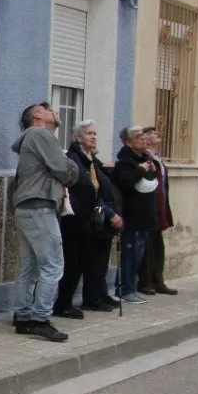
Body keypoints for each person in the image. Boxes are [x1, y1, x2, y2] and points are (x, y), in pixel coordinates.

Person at [11, 102, 80, 342]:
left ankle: (22, 317)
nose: (55, 112)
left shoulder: (33, 138)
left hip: (28, 207)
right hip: (39, 207)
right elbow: (65, 171)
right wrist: (70, 167)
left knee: (29, 267)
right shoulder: (41, 134)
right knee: (53, 265)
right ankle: (40, 319)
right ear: (37, 115)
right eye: (48, 109)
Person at [55, 120, 122, 317]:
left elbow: (99, 188)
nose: (93, 137)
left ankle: (88, 298)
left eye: (94, 133)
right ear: (78, 137)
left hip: (89, 220)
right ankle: (63, 304)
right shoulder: (73, 159)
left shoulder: (90, 159)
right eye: (89, 133)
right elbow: (79, 190)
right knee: (72, 263)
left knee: (86, 262)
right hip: (76, 220)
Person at [112, 125, 161, 304]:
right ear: (128, 143)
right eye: (138, 136)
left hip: (145, 217)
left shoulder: (146, 159)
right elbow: (125, 182)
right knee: (129, 255)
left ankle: (131, 287)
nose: (143, 138)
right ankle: (124, 289)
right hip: (131, 216)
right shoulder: (125, 162)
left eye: (143, 135)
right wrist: (141, 170)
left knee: (139, 255)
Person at [139, 126, 178, 295]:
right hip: (149, 208)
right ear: (146, 139)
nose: (158, 135)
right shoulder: (145, 158)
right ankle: (146, 282)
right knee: (148, 247)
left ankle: (158, 280)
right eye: (153, 134)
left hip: (159, 206)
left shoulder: (157, 159)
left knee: (157, 246)